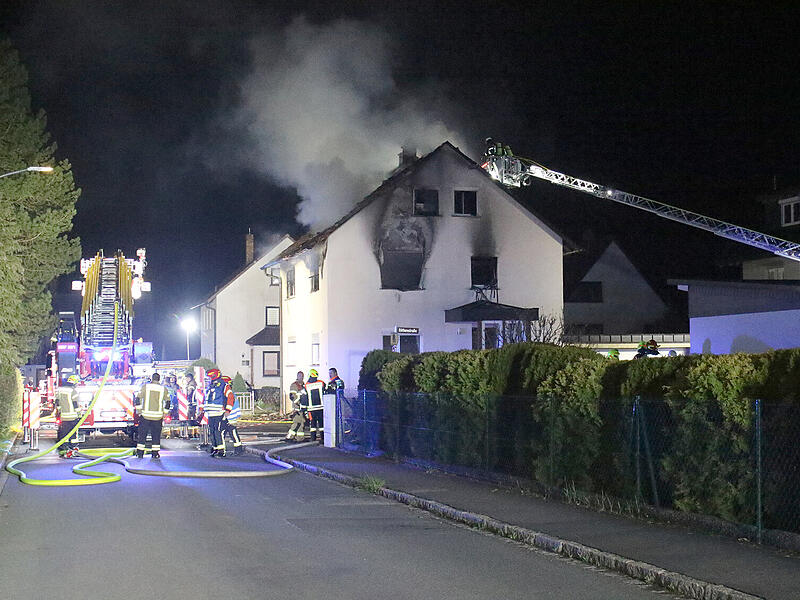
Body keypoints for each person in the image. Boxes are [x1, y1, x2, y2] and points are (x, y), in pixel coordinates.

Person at [134, 373, 170, 459]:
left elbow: (138, 399)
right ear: (159, 379)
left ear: (152, 379)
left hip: (145, 416)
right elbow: (168, 402)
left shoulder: (145, 387)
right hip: (158, 417)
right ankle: (155, 453)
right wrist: (164, 413)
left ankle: (140, 453)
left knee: (142, 435)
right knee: (156, 435)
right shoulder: (163, 389)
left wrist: (139, 411)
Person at [204, 368, 233, 457]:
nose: (208, 379)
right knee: (212, 432)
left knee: (218, 432)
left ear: (214, 376)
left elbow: (230, 397)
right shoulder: (210, 386)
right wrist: (201, 411)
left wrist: (228, 410)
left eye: (209, 377)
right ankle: (215, 448)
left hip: (218, 413)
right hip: (210, 414)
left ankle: (221, 451)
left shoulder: (223, 385)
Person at [56, 374, 81, 457]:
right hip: (72, 417)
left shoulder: (60, 390)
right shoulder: (73, 391)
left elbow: (57, 402)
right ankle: (74, 448)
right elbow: (75, 404)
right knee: (73, 434)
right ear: (75, 383)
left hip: (63, 416)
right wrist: (79, 414)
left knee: (64, 433)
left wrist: (59, 412)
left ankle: (64, 449)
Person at [219, 375, 244, 455]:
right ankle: (237, 450)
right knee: (230, 433)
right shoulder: (230, 393)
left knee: (227, 433)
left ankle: (225, 450)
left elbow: (227, 405)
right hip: (230, 417)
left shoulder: (228, 394)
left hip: (229, 417)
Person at [284, 371, 307, 442]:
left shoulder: (304, 385)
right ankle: (289, 437)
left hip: (302, 408)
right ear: (297, 376)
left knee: (302, 423)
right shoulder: (294, 385)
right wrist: (299, 404)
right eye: (300, 376)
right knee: (296, 423)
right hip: (297, 408)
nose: (301, 377)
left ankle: (299, 438)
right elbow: (293, 397)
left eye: (302, 376)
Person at [305, 369, 325, 443]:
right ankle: (323, 438)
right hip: (321, 407)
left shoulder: (307, 385)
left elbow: (305, 397)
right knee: (321, 424)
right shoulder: (321, 383)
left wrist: (304, 409)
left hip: (311, 409)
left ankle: (313, 438)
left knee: (313, 424)